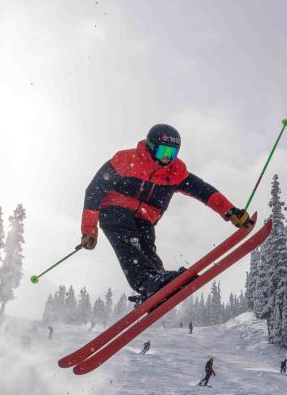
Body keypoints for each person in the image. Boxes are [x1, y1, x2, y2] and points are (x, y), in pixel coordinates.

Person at [79, 124, 254, 303]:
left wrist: (230, 211)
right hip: (115, 209)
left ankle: (157, 283)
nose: (166, 158)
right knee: (128, 241)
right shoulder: (125, 160)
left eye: (172, 154)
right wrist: (89, 230)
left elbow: (204, 191)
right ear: (150, 146)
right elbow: (95, 190)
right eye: (163, 151)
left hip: (145, 216)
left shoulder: (175, 171)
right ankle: (147, 283)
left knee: (147, 248)